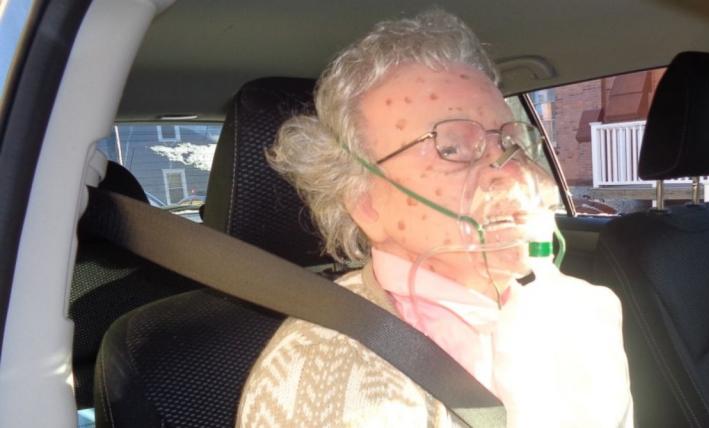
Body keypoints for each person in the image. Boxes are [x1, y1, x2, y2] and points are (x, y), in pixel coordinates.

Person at [237, 9, 632, 427]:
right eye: (452, 147)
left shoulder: (565, 314)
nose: (515, 173)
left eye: (512, 143)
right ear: (365, 203)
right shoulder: (337, 381)